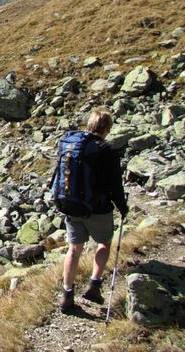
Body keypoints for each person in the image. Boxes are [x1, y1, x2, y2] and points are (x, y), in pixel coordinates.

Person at [59, 108, 129, 313]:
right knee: (104, 243)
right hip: (98, 208)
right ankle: (94, 284)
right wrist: (122, 207)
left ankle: (67, 295)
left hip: (72, 206)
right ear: (106, 128)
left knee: (73, 249)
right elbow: (115, 185)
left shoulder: (71, 143)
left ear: (90, 124)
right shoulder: (105, 150)